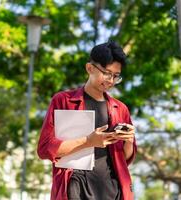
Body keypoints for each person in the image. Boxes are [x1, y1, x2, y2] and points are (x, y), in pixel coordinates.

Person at [37, 41, 137, 200]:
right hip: (76, 189)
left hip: (113, 191)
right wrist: (89, 141)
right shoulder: (63, 101)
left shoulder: (120, 109)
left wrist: (129, 140)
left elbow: (125, 159)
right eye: (107, 73)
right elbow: (44, 149)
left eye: (116, 76)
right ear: (89, 68)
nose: (110, 80)